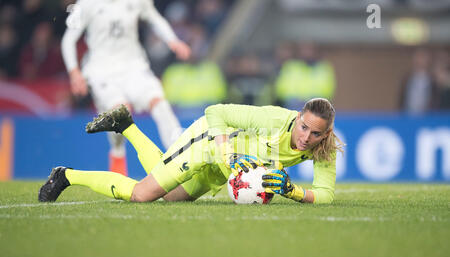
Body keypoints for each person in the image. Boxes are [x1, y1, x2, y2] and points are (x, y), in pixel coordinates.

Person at [38, 98, 343, 204]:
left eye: (315, 134)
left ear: (325, 134)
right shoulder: (273, 120)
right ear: (298, 118)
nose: (306, 137)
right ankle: (66, 175)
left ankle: (126, 125)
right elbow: (215, 112)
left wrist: (294, 192)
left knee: (168, 195)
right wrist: (229, 156)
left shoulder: (323, 149)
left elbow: (325, 194)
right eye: (303, 127)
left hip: (225, 168)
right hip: (207, 144)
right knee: (143, 194)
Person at [61, 0, 191, 176]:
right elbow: (68, 39)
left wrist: (173, 41)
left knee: (159, 103)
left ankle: (180, 159)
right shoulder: (86, 4)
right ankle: (117, 153)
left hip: (134, 66)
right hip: (101, 70)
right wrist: (74, 72)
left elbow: (155, 19)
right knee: (121, 112)